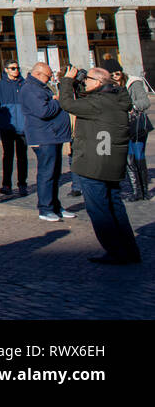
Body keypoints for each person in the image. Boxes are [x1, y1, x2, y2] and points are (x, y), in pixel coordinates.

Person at [58, 66, 141, 264]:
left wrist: (67, 81)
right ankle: (129, 250)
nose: (84, 81)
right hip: (112, 162)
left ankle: (115, 252)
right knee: (115, 206)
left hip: (94, 164)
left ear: (97, 82)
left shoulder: (97, 103)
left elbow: (67, 104)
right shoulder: (117, 98)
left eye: (87, 79)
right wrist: (78, 84)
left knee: (99, 210)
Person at [21, 61, 77, 223]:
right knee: (47, 173)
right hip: (44, 137)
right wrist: (57, 100)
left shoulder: (40, 86)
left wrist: (53, 98)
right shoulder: (30, 89)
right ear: (37, 74)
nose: (50, 78)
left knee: (54, 173)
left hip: (53, 135)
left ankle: (55, 206)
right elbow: (43, 111)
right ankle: (45, 208)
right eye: (48, 75)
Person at [0, 61, 29, 197]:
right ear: (6, 70)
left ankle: (22, 184)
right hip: (7, 127)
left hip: (22, 127)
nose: (16, 70)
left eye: (17, 68)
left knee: (22, 157)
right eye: (13, 68)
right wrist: (1, 118)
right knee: (8, 156)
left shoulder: (25, 84)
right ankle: (6, 184)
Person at [126, 74, 152, 201]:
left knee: (138, 155)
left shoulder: (133, 84)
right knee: (129, 158)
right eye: (111, 75)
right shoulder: (110, 86)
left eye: (117, 74)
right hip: (122, 127)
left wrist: (131, 105)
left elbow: (145, 102)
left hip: (137, 126)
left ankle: (145, 190)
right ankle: (136, 191)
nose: (114, 76)